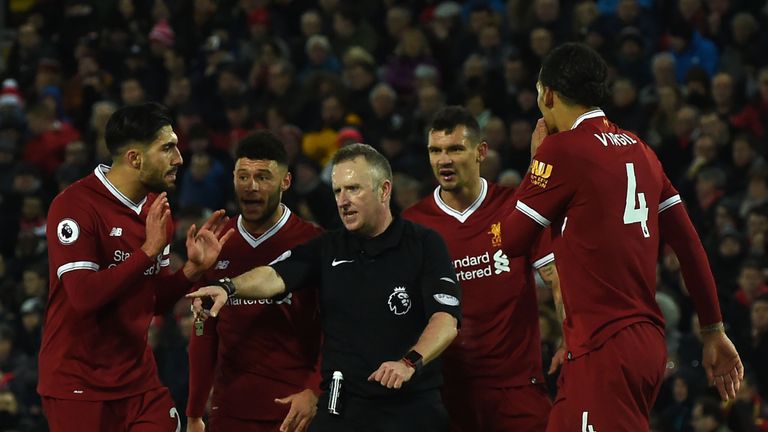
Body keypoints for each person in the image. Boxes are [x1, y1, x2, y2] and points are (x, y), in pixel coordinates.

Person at [501, 43, 743, 431]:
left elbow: (510, 240)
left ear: (547, 93)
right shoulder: (642, 151)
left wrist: (535, 167)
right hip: (635, 342)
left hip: (605, 348)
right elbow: (689, 246)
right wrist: (713, 329)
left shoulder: (561, 150)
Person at [189, 143, 461, 432]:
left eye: (354, 189)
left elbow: (446, 320)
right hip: (341, 408)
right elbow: (274, 276)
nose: (343, 200)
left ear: (384, 190)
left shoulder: (423, 244)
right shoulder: (327, 247)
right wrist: (228, 287)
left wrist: (408, 363)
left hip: (409, 407)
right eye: (337, 191)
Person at [38, 102, 234, 432]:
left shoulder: (156, 212)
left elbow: (153, 300)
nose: (179, 159)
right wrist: (146, 253)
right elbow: (83, 297)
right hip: (78, 385)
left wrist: (192, 270)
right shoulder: (75, 205)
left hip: (138, 382)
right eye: (168, 148)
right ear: (135, 158)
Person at [402, 105, 556, 431]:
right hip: (447, 394)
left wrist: (573, 343)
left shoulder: (516, 208)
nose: (444, 160)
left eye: (455, 149)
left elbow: (557, 279)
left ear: (480, 152)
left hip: (518, 388)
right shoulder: (413, 226)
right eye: (436, 151)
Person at [186, 131, 324, 432]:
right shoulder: (216, 243)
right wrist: (195, 411)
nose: (251, 187)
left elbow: (335, 330)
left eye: (263, 177)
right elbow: (203, 331)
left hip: (296, 411)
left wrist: (315, 390)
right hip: (230, 411)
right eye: (243, 176)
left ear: (285, 182)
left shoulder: (313, 242)